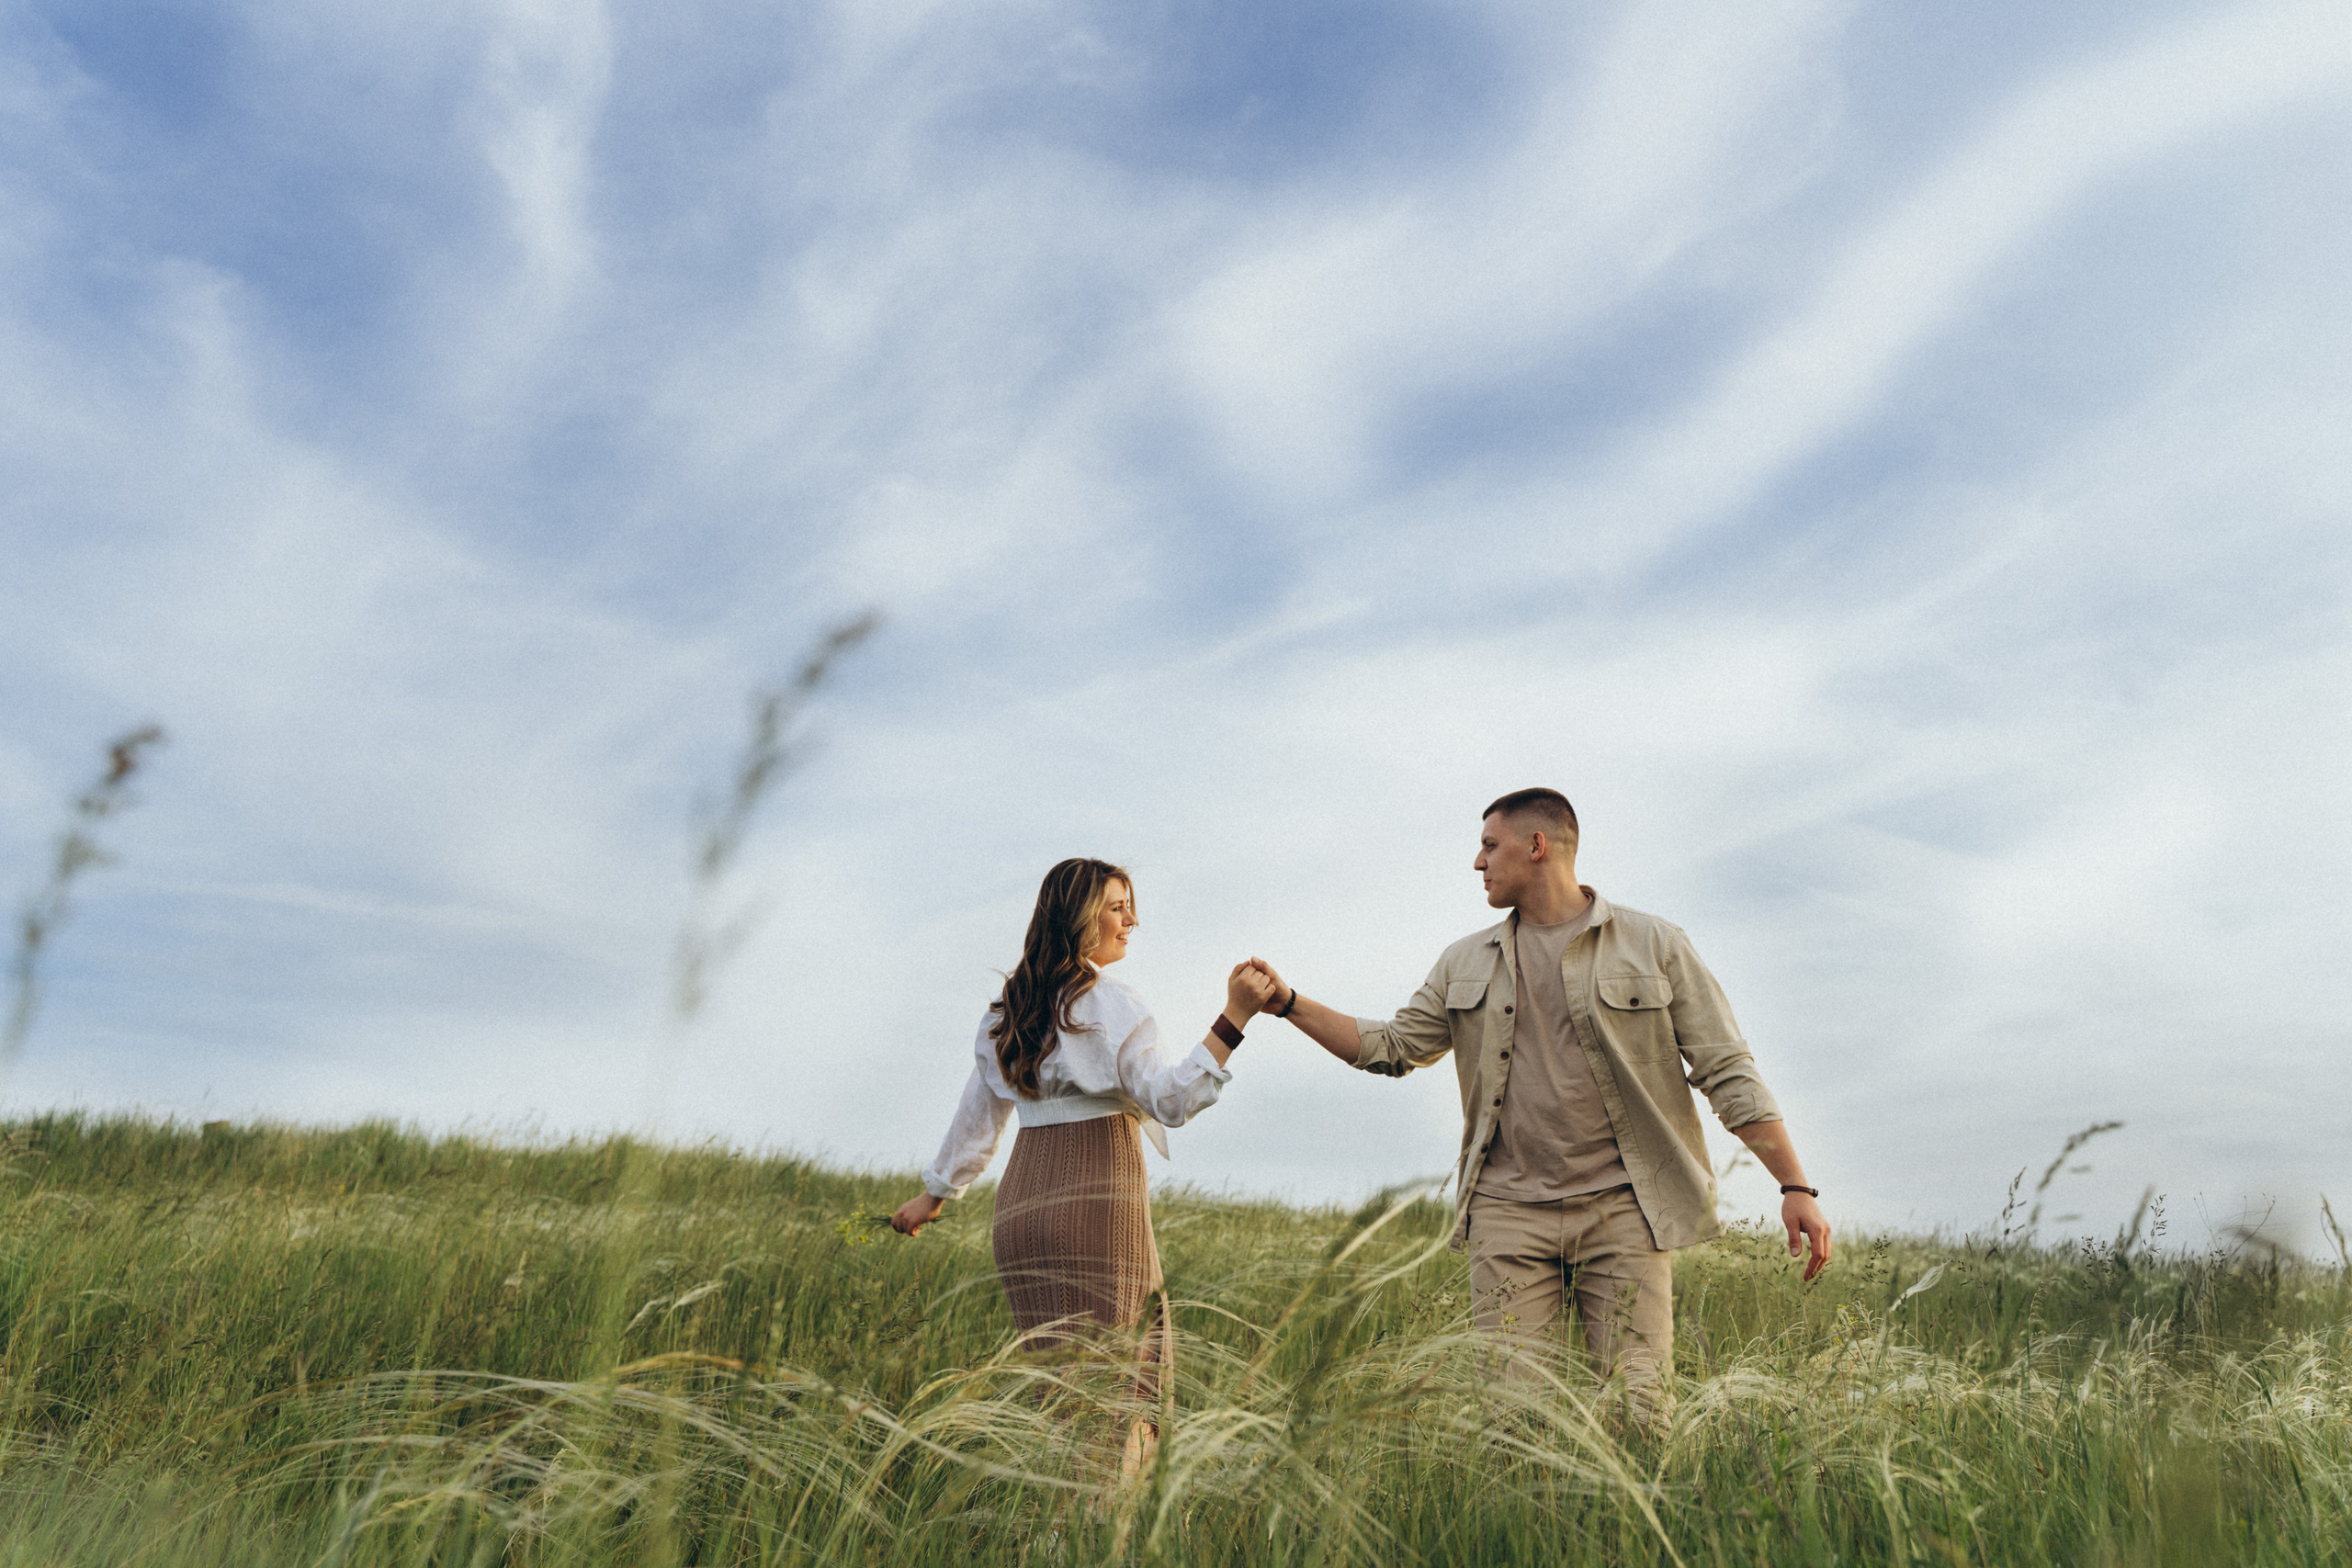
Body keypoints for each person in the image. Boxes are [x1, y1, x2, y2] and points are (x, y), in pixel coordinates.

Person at [1246, 788, 1832, 1425]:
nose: (1478, 862)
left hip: (1626, 1209)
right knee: (1511, 1419)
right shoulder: (1464, 960)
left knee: (1638, 1412)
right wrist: (1287, 1002)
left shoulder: (1655, 944)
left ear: (1537, 846)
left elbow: (1726, 1068)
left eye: (1489, 845)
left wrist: (1793, 1183)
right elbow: (1392, 1047)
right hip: (1507, 1211)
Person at [892, 857, 1274, 1460]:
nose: (1133, 920)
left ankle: (1049, 1536)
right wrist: (1235, 1016)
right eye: (1119, 906)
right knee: (1123, 1385)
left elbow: (978, 1117)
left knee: (1056, 1396)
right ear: (1079, 918)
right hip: (1098, 1208)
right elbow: (1172, 1100)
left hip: (1020, 1214)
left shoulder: (1007, 1011)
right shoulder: (1113, 1003)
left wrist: (933, 1195)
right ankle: (1101, 1540)